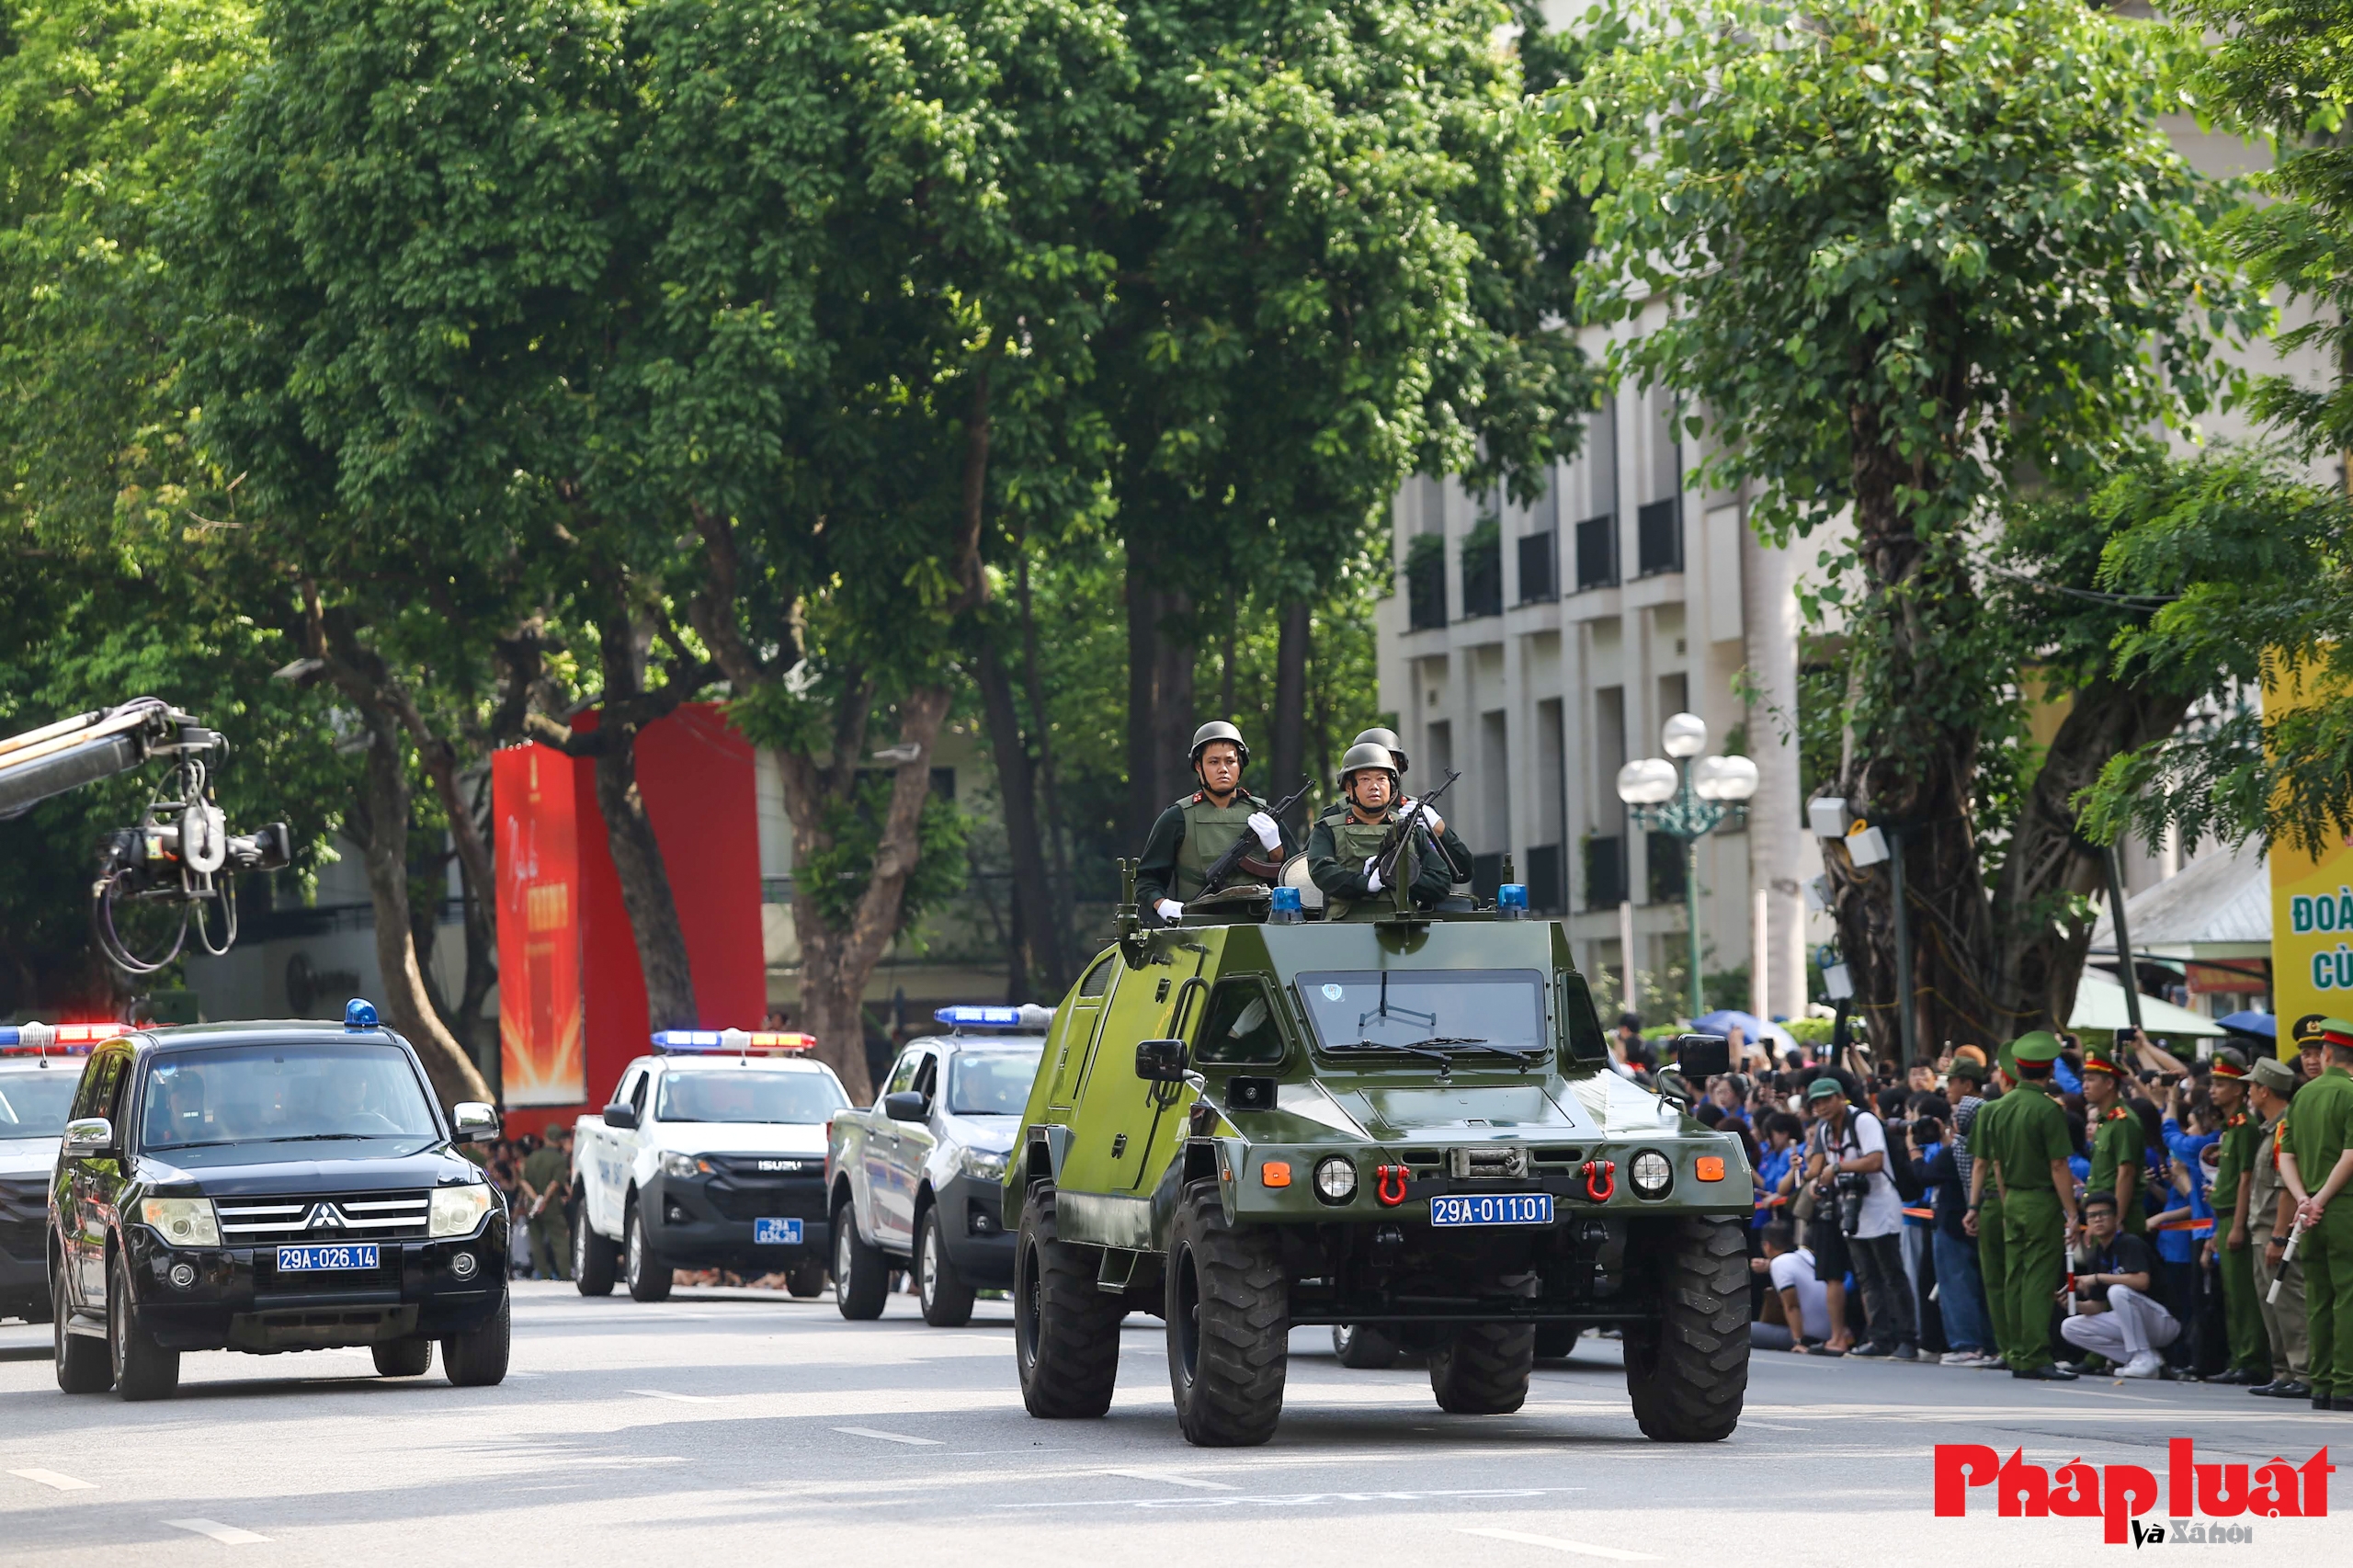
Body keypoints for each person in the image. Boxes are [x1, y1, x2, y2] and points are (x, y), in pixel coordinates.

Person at [1983, 1030, 2082, 1380]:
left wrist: (2007, 1201)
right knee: (2038, 1279)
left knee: (2015, 1278)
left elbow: (1995, 1164)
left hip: (2011, 1198)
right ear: (2050, 1070)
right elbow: (2058, 1165)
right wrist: (2072, 1213)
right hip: (2040, 1200)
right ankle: (2036, 1355)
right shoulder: (2048, 1109)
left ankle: (2016, 1353)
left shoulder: (1998, 1107)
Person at [1802, 1076, 1915, 1359]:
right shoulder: (1824, 1129)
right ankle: (1879, 1338)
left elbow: (1875, 1161)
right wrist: (1816, 1182)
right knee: (1867, 1278)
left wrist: (1837, 1168)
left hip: (1880, 1204)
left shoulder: (1863, 1120)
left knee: (1892, 1275)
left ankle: (1907, 1339)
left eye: (1827, 1100)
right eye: (1816, 1103)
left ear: (1840, 1097)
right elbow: (1817, 1168)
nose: (1822, 1107)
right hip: (1852, 1208)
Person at [1134, 721, 1290, 925]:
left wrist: (1277, 850)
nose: (1223, 769)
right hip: (1199, 927)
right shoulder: (1177, 817)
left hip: (1259, 925)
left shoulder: (1264, 816)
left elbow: (1297, 878)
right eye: (1214, 762)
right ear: (1199, 767)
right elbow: (1146, 880)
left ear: (1240, 765)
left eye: (1230, 761)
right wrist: (1163, 905)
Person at [2276, 1016, 2353, 1412]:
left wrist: (2304, 1199)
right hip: (2343, 1208)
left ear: (2326, 1055)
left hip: (2308, 1215)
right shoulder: (2351, 1093)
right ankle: (2345, 1384)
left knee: (2318, 1298)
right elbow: (2350, 1156)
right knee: (2348, 1297)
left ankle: (2320, 1385)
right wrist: (2321, 1199)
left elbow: (2285, 1156)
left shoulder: (2303, 1096)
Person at [1305, 742, 1452, 921]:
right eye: (1365, 779)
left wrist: (1398, 878)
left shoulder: (1411, 828)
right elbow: (1322, 872)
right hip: (1345, 926)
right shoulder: (1328, 828)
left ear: (1391, 786)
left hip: (1404, 927)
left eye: (1381, 779)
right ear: (1350, 788)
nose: (1374, 786)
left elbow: (1440, 882)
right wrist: (1365, 883)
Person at [1319, 728, 1476, 885]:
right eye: (1367, 773)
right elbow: (1314, 872)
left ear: (1399, 770)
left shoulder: (1419, 812)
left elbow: (1461, 873)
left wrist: (1441, 831)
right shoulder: (1335, 817)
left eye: (1387, 763)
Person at [2200, 1049, 2270, 1385]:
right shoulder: (2230, 1127)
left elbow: (2246, 1180)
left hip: (2237, 1218)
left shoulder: (2245, 1127)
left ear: (2240, 1088)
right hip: (2225, 1216)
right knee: (2232, 1293)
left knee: (2243, 1294)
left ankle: (2252, 1359)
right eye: (2213, 1083)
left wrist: (2239, 1225)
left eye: (2221, 1083)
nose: (2213, 1089)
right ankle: (2239, 1356)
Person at [2245, 1055, 2310, 1398]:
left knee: (2288, 1303)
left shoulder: (2284, 1129)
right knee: (2271, 1304)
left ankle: (2303, 1371)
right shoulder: (2271, 1128)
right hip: (2263, 1229)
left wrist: (2279, 1235)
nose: (2249, 1092)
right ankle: (2283, 1370)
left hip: (2274, 1229)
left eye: (2252, 1086)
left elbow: (2286, 1187)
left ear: (2265, 1091)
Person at [1908, 1109, 1995, 1367]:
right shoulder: (1982, 1149)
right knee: (1981, 1287)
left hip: (1951, 1226)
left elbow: (1924, 1175)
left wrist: (1913, 1148)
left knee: (1956, 1287)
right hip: (1975, 1224)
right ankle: (1990, 1346)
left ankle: (1966, 1345)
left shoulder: (1955, 1152)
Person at [2060, 1192, 2178, 1378]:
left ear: (2116, 1218)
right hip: (2132, 1323)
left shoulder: (2130, 1242)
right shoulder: (2097, 1254)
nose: (2098, 1219)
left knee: (2118, 1291)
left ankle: (2143, 1355)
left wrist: (2098, 1278)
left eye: (2104, 1214)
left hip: (2162, 1321)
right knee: (2070, 1327)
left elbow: (2142, 1281)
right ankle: (2147, 1359)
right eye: (2092, 1216)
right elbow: (2098, 1306)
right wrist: (2074, 1304)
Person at [2081, 1045, 2147, 1237]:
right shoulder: (2105, 1121)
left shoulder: (2122, 1121)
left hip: (2116, 1222)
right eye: (2084, 1080)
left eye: (2091, 1080)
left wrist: (2117, 1219)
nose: (2085, 1086)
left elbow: (2126, 1173)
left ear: (2110, 1083)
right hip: (2100, 1219)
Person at [1760, 1221, 1836, 1349]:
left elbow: (1792, 1305)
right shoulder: (1806, 1254)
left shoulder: (1779, 1264)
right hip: (1831, 1331)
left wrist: (1798, 1342)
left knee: (1749, 1330)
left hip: (1810, 1336)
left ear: (1767, 1245)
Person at [519, 1121, 574, 1282]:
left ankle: (543, 1274)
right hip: (551, 1206)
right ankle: (565, 1274)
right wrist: (544, 1200)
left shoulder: (532, 1158)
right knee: (559, 1240)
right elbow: (555, 1183)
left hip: (532, 1206)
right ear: (559, 1140)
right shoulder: (559, 1160)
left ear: (545, 1137)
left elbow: (523, 1181)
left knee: (536, 1241)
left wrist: (535, 1199)